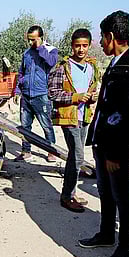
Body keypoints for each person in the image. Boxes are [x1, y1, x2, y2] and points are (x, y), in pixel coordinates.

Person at [78, 11, 129, 257]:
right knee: (106, 192)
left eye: (101, 37)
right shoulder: (116, 62)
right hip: (103, 142)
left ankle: (126, 246)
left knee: (121, 195)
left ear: (111, 36)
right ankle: (107, 233)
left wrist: (116, 153)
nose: (100, 41)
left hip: (116, 148)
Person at [48, 29, 100, 213]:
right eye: (77, 45)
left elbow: (93, 88)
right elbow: (53, 93)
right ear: (72, 46)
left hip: (84, 116)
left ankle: (71, 191)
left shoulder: (92, 67)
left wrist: (92, 98)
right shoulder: (63, 67)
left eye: (84, 45)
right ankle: (66, 196)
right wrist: (76, 97)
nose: (81, 49)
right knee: (77, 156)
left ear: (89, 45)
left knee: (75, 155)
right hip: (68, 116)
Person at [14, 25, 58, 162]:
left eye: (33, 40)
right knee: (25, 125)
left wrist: (40, 48)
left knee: (46, 125)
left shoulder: (50, 51)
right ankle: (26, 151)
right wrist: (17, 90)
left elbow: (51, 62)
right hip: (26, 95)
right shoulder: (26, 53)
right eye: (29, 40)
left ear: (40, 38)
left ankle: (52, 152)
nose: (30, 42)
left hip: (41, 95)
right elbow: (21, 72)